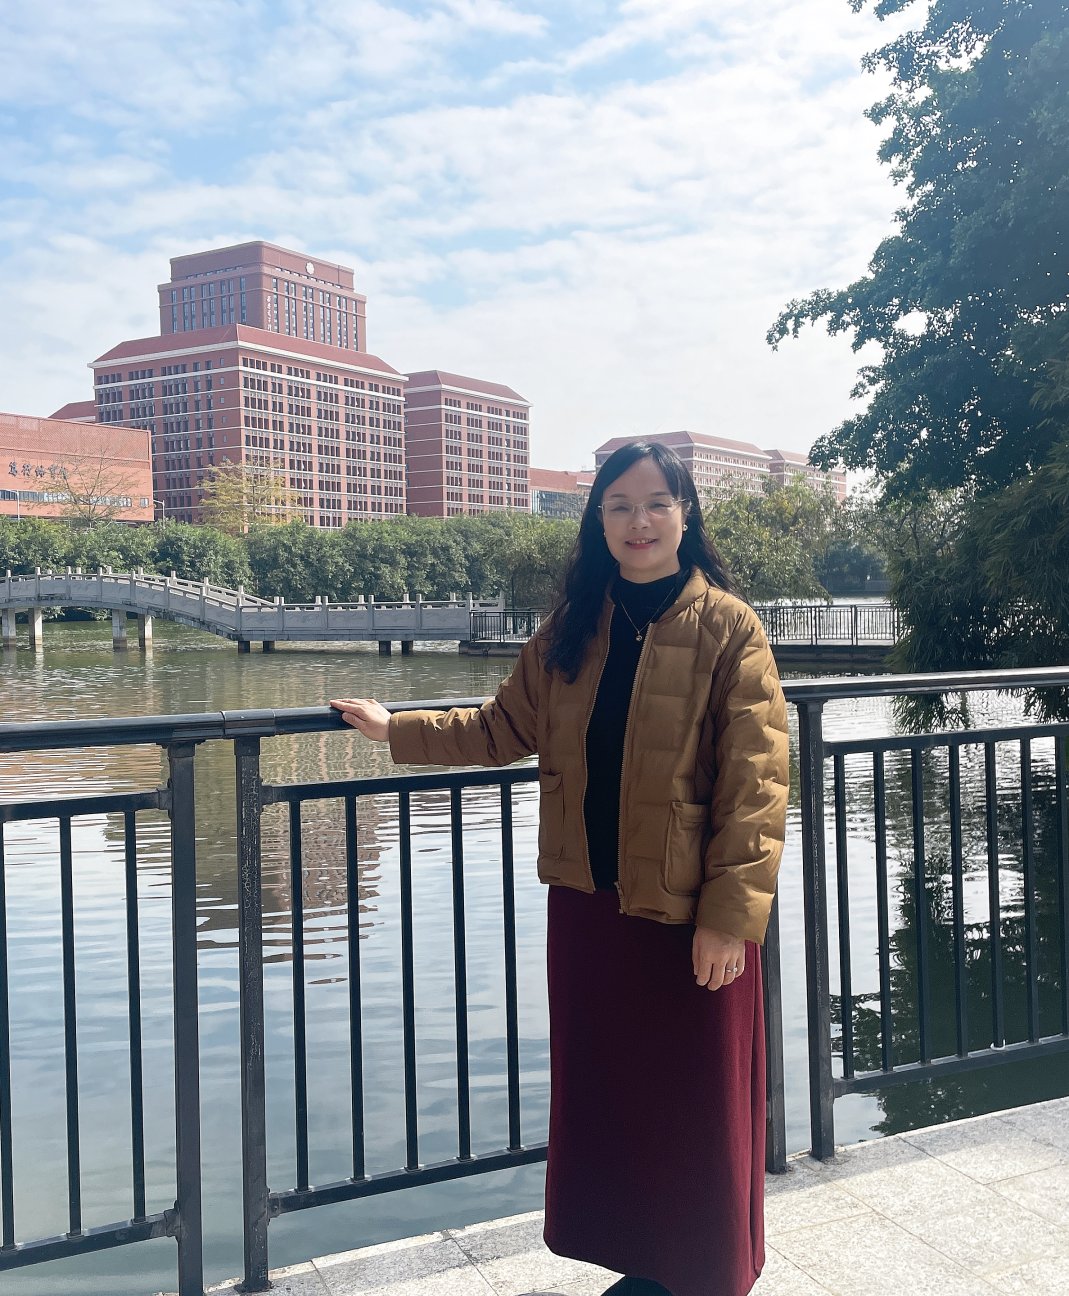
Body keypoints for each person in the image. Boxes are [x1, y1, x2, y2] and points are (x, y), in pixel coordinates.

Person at [330, 440, 789, 1296]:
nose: (638, 521)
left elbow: (755, 789)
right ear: (598, 522)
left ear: (685, 515)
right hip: (591, 908)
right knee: (615, 1096)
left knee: (697, 1101)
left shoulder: (727, 627)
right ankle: (646, 1266)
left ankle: (707, 1272)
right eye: (619, 506)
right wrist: (397, 730)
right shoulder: (571, 630)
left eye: (655, 503)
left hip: (689, 912)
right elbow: (498, 729)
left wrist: (729, 920)